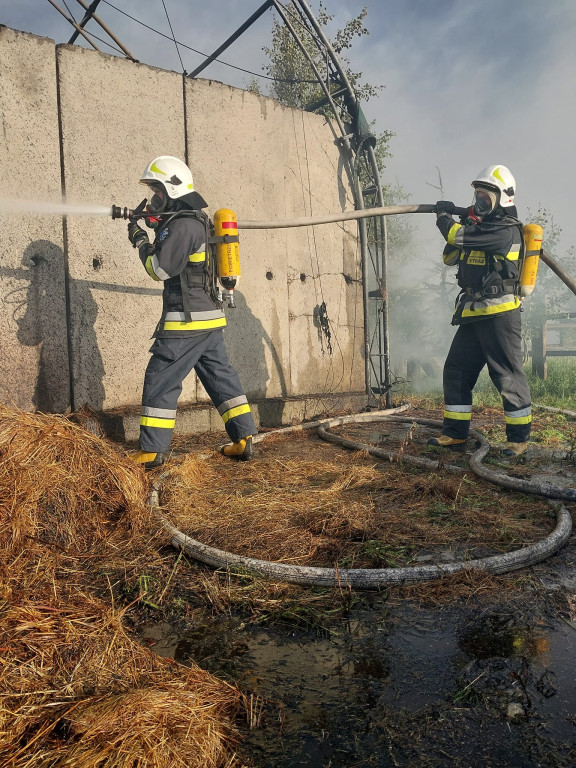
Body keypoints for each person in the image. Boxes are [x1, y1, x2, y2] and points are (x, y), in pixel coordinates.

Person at [127, 155, 257, 468]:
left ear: (172, 190)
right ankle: (243, 438)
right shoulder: (193, 219)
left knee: (160, 379)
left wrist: (139, 238)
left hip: (186, 321)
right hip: (208, 320)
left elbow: (159, 269)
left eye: (157, 191)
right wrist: (155, 225)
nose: (154, 198)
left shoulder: (183, 225)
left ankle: (152, 451)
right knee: (220, 378)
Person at [429, 164, 532, 457]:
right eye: (477, 197)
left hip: (500, 313)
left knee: (507, 375)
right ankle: (455, 434)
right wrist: (469, 221)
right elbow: (451, 256)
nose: (480, 202)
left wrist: (444, 217)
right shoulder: (480, 229)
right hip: (473, 312)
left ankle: (518, 441)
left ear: (503, 199)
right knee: (457, 370)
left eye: (486, 198)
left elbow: (456, 238)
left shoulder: (505, 231)